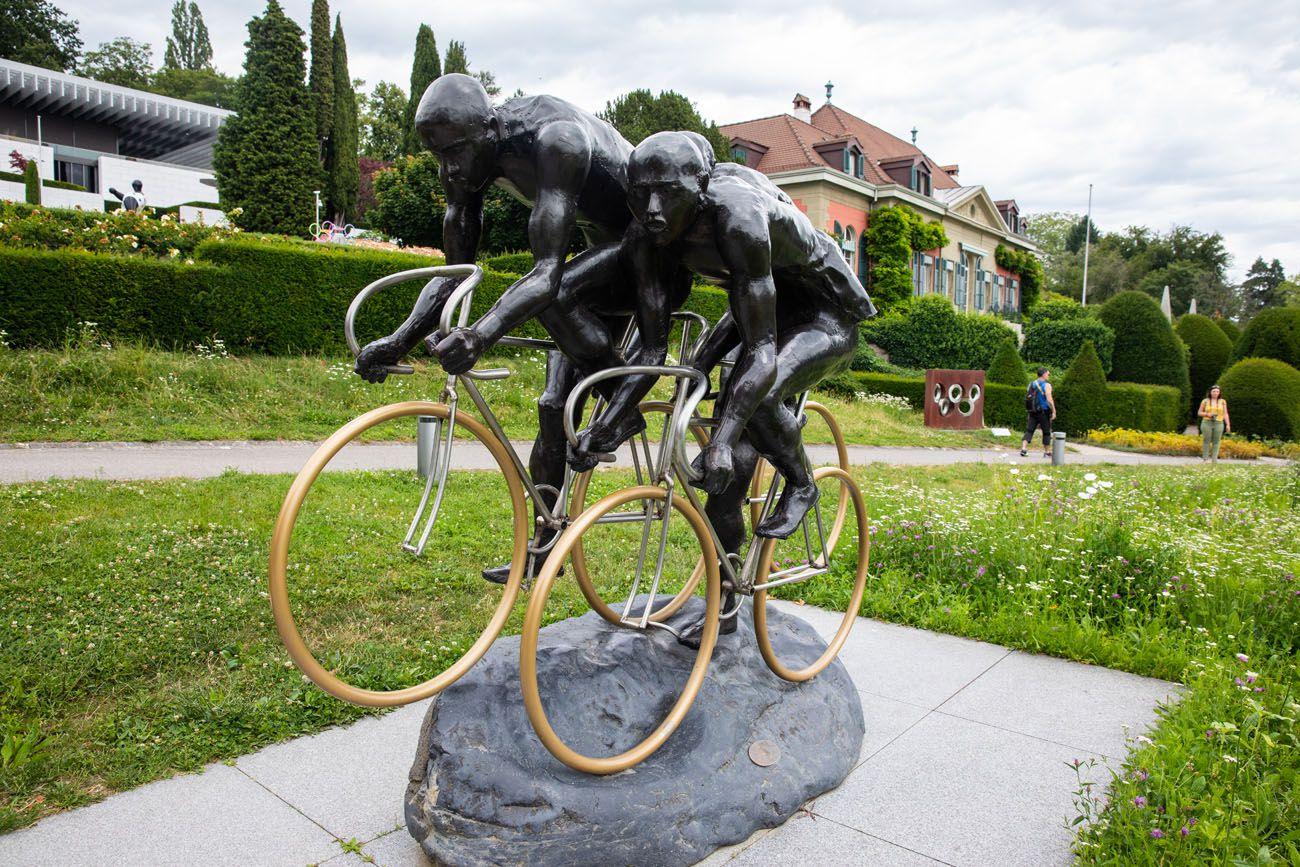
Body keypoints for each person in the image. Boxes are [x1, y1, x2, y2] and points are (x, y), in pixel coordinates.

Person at [353, 74, 641, 584]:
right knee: (553, 406)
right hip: (601, 252)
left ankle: (622, 394)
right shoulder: (464, 165)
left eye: (456, 152)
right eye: (437, 155)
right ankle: (542, 548)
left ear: (489, 128)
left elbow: (547, 276)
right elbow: (453, 277)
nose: (450, 168)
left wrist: (479, 335)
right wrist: (398, 341)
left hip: (649, 246)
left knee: (553, 297)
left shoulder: (556, 139)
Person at [570, 130, 876, 551]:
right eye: (640, 195)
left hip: (825, 314)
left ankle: (802, 483)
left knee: (759, 397)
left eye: (667, 194)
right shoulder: (646, 233)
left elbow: (762, 351)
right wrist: (608, 423)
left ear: (698, 189)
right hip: (759, 303)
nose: (653, 211)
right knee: (697, 375)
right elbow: (654, 348)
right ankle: (728, 585)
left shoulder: (738, 217)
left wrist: (721, 443)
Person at [1021, 367, 1055, 457]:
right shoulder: (1047, 385)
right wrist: (1054, 411)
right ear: (1043, 374)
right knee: (1046, 432)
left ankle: (1024, 449)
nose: (1048, 375)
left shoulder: (1031, 384)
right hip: (1044, 412)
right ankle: (1047, 452)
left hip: (1032, 411)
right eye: (1048, 374)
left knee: (1029, 430)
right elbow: (1049, 399)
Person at [1197, 385, 1230, 462]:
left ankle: (1214, 460)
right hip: (1207, 422)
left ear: (1219, 393)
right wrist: (1207, 414)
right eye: (1214, 391)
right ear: (1210, 392)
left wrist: (1228, 424)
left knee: (1217, 441)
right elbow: (1199, 412)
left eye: (1217, 391)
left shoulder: (1223, 401)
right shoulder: (1205, 401)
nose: (1215, 393)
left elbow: (1225, 413)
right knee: (1206, 440)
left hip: (1219, 422)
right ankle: (1205, 459)